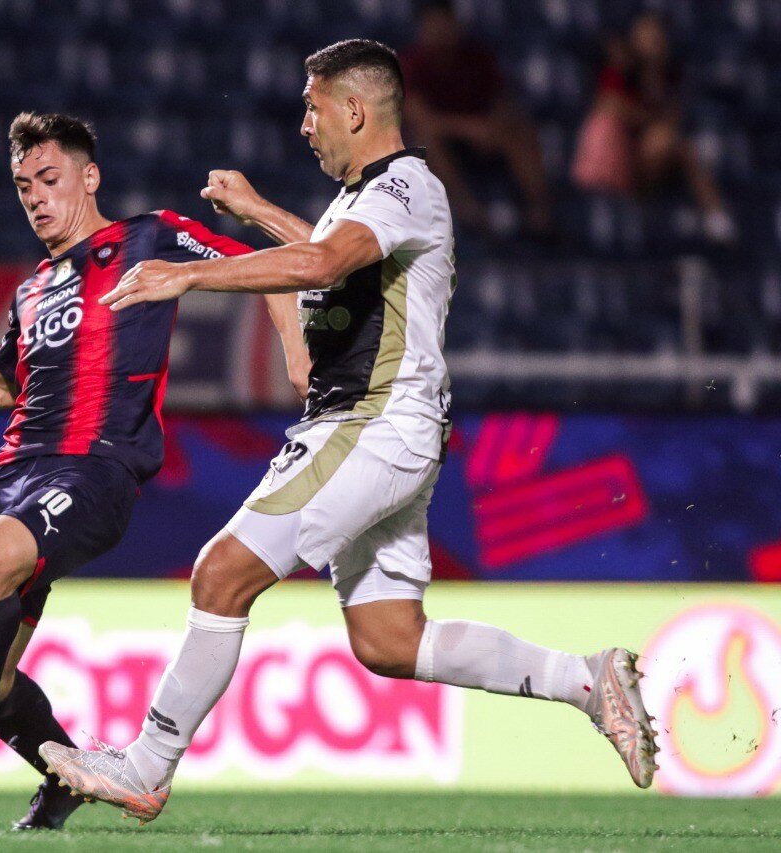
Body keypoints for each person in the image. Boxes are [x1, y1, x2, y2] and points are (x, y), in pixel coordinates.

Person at [40, 39, 657, 824]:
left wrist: (188, 273)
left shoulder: (406, 184)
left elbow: (326, 262)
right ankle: (586, 677)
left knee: (221, 572)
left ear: (355, 110)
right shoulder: (365, 198)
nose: (304, 124)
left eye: (312, 106)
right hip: (384, 426)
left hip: (374, 420)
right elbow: (332, 252)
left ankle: (144, 765)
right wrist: (261, 209)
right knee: (389, 639)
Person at [0, 111, 309, 831]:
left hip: (95, 470)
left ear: (89, 177)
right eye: (24, 187)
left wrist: (296, 356)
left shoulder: (149, 236)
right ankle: (63, 775)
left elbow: (269, 271)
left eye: (49, 180)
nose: (36, 198)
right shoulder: (34, 289)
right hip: (13, 476)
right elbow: (1, 382)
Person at [571, 13, 736, 244]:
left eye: (656, 36)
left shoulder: (671, 77)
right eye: (646, 36)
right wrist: (648, 118)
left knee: (681, 146)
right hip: (619, 158)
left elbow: (673, 118)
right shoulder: (619, 71)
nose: (652, 41)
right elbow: (610, 106)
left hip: (653, 161)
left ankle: (715, 216)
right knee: (667, 139)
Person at [400, 0, 553, 236]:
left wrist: (493, 127)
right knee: (425, 141)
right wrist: (470, 129)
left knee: (520, 130)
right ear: (422, 29)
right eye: (433, 25)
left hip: (483, 140)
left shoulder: (477, 58)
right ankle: (468, 212)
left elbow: (502, 103)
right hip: (443, 143)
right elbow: (422, 119)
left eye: (445, 23)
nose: (440, 31)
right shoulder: (411, 64)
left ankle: (540, 213)